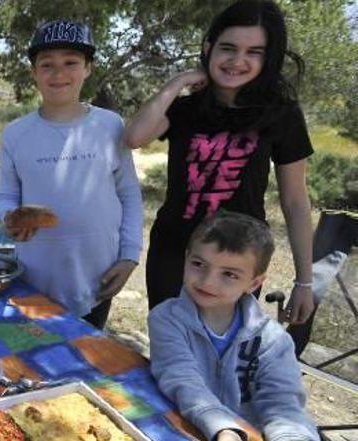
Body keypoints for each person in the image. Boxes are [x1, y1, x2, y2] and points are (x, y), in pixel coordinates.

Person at [124, 0, 315, 325]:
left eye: (254, 52)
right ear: (209, 47)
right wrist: (178, 82)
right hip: (176, 255)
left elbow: (295, 201)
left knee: (223, 359)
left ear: (267, 58)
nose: (238, 61)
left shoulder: (282, 114)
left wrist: (304, 281)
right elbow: (134, 138)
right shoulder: (184, 110)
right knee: (170, 354)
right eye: (228, 48)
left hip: (238, 263)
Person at [149, 211, 342, 441]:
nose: (207, 281)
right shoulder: (166, 319)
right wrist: (222, 427)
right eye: (198, 263)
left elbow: (283, 404)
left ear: (254, 283)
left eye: (229, 274)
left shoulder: (274, 341)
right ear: (186, 258)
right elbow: (182, 380)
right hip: (182, 439)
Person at [0, 19, 143, 329]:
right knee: (34, 358)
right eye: (46, 64)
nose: (59, 73)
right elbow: (6, 196)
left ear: (88, 68)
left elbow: (128, 193)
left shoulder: (110, 125)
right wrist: (11, 218)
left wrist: (129, 256)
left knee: (85, 359)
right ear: (34, 72)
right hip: (33, 276)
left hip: (98, 277)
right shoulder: (15, 134)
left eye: (71, 62)